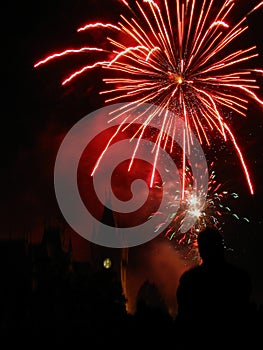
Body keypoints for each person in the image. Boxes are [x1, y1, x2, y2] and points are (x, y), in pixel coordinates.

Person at [175, 227, 253, 348]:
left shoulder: (190, 279)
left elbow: (183, 319)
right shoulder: (239, 278)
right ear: (221, 247)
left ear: (200, 249)